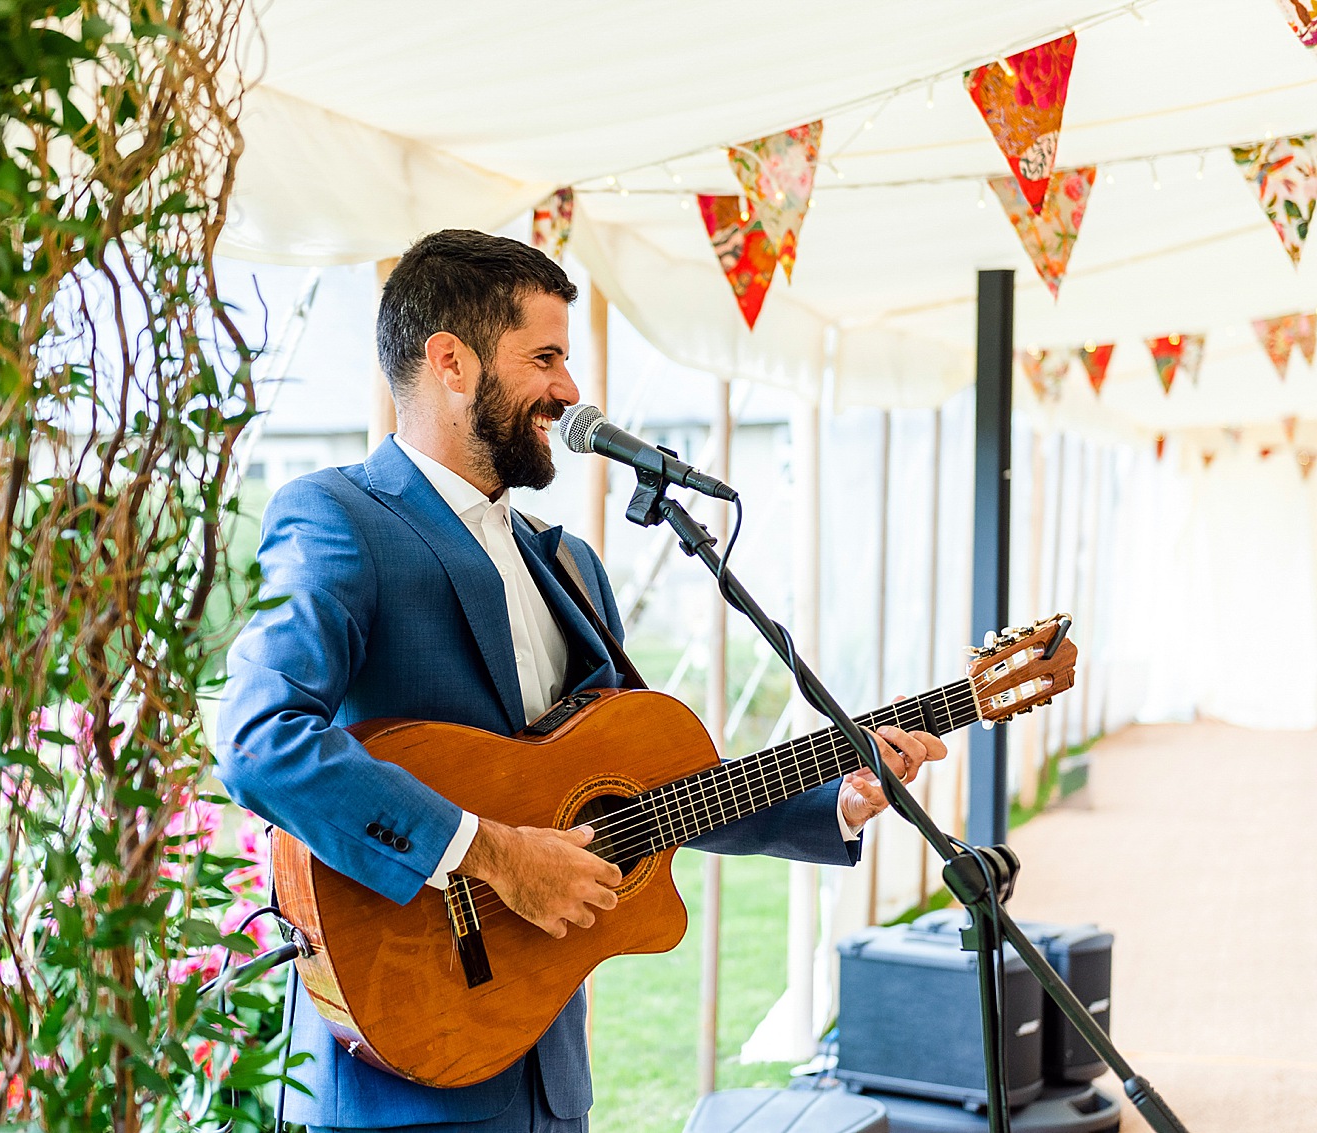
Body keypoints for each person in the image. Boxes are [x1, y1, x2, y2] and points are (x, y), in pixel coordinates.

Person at [214, 230, 946, 1133]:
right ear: (451, 361)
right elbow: (258, 737)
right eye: (547, 357)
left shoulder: (571, 567)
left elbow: (647, 795)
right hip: (397, 1072)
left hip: (553, 1079)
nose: (570, 390)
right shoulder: (338, 518)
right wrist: (492, 854)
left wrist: (836, 798)